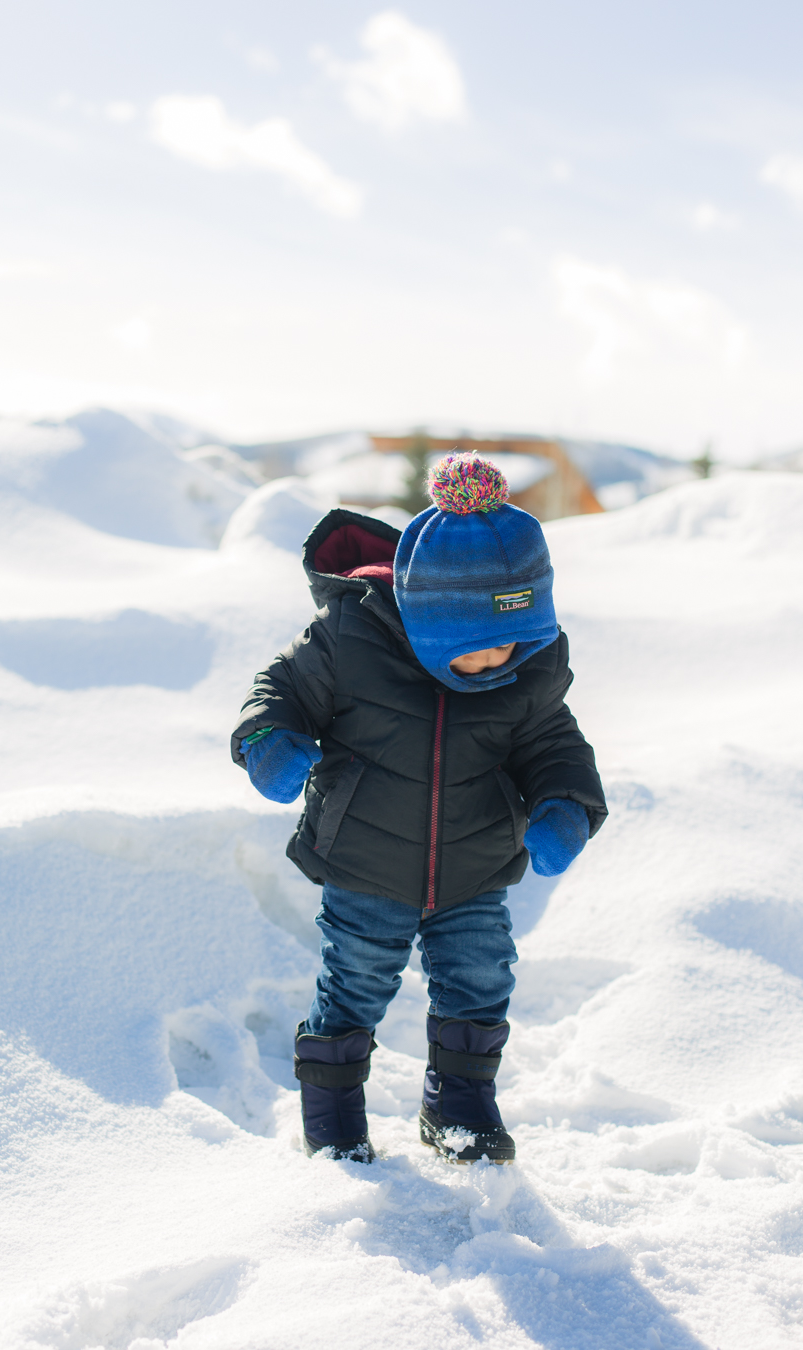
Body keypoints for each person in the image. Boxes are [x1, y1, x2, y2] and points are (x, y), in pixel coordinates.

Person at [232, 453, 606, 1164]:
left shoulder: (523, 671)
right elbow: (276, 692)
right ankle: (334, 1116)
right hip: (366, 863)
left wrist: (566, 804)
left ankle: (458, 1108)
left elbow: (554, 744)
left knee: (481, 977)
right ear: (429, 618)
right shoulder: (349, 640)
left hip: (475, 864)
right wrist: (268, 741)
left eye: (513, 639)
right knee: (355, 986)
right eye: (478, 644)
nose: (499, 658)